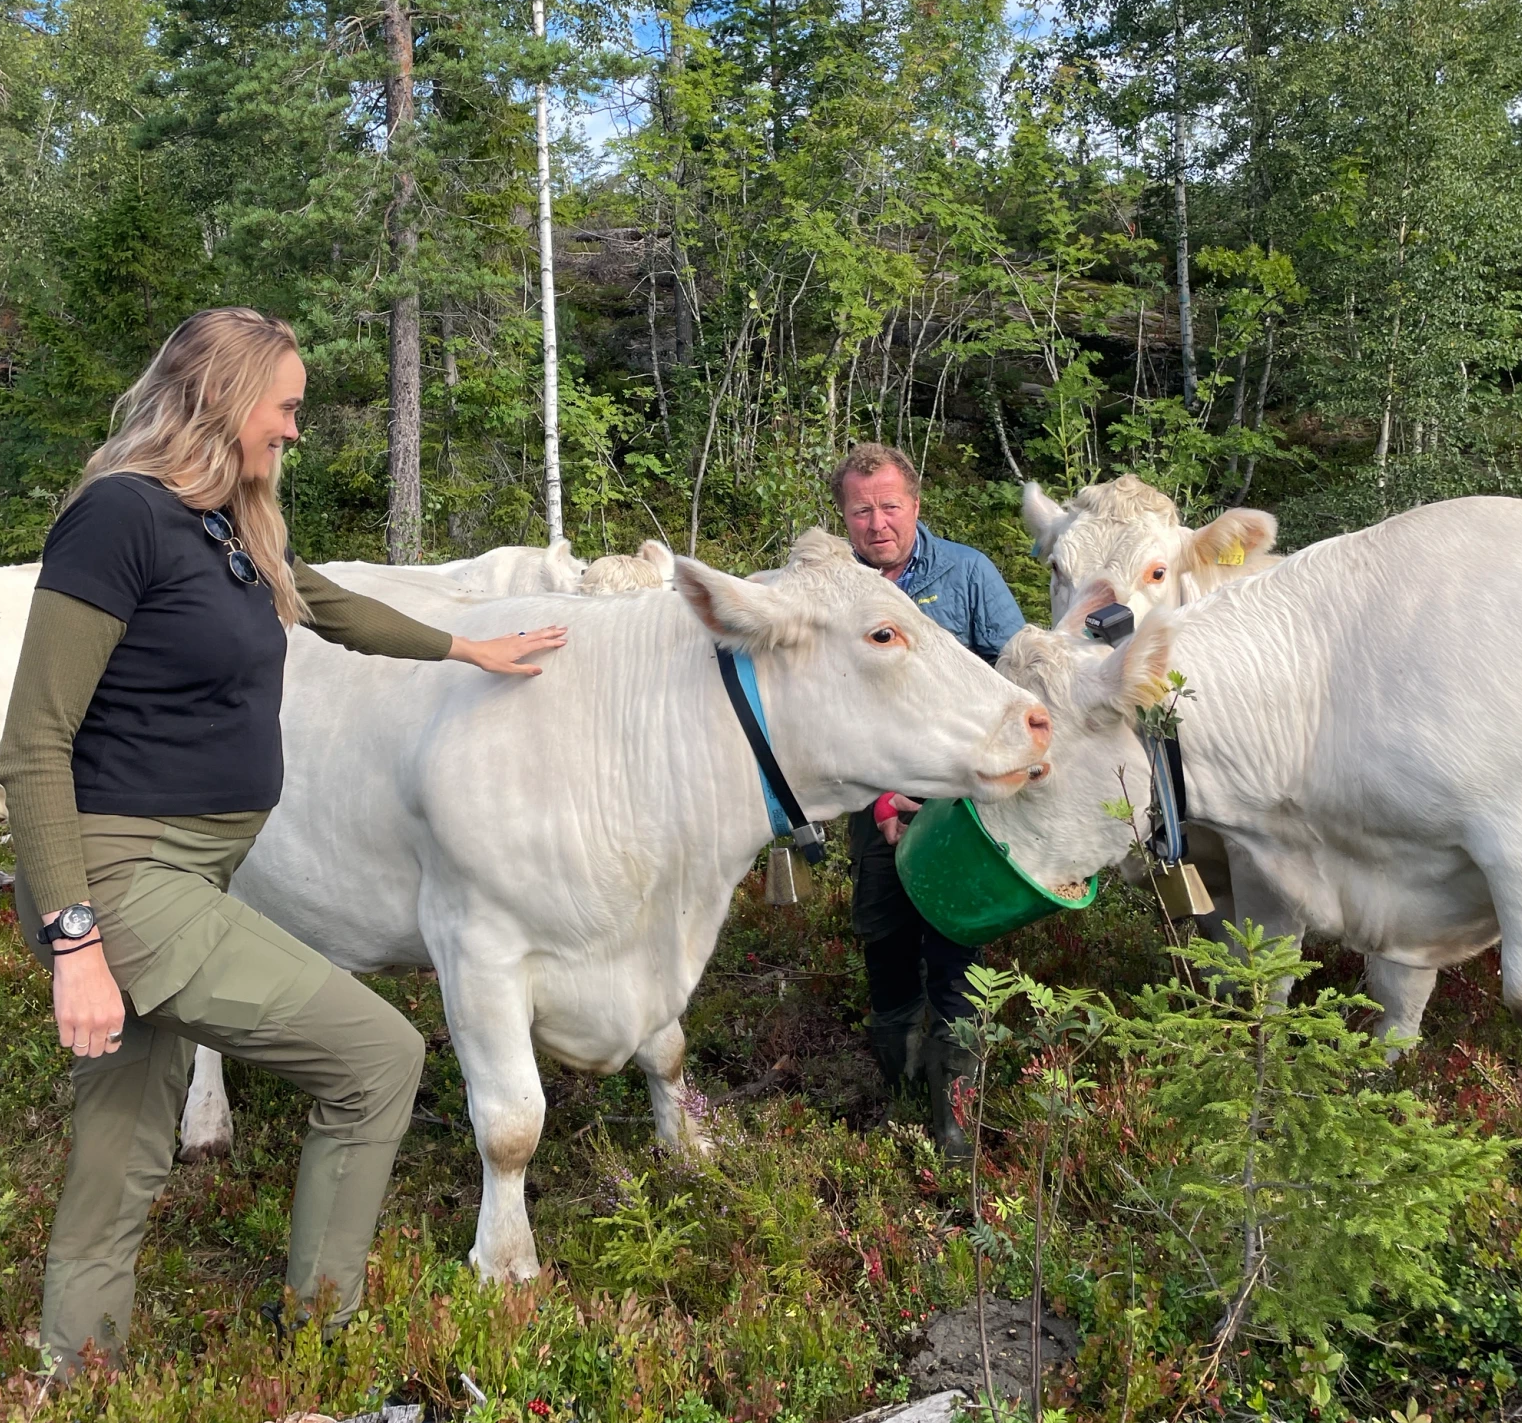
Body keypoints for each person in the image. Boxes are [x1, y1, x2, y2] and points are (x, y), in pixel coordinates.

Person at [0, 307, 569, 1371]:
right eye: (287, 406)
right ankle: (317, 1342)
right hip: (125, 881)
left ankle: (72, 1366)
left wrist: (465, 645)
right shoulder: (118, 517)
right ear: (223, 399)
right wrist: (76, 942)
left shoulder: (220, 523)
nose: (295, 430)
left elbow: (324, 603)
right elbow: (34, 740)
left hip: (189, 874)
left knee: (123, 1140)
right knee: (379, 1059)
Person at [832, 442, 1026, 1157]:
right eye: (861, 510)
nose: (877, 522)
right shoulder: (835, 591)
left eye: (889, 505)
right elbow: (822, 711)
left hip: (961, 806)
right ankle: (902, 1092)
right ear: (844, 517)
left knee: (956, 949)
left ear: (915, 504)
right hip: (872, 796)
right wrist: (879, 796)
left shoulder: (968, 573)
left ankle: (956, 1126)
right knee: (884, 939)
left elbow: (1014, 671)